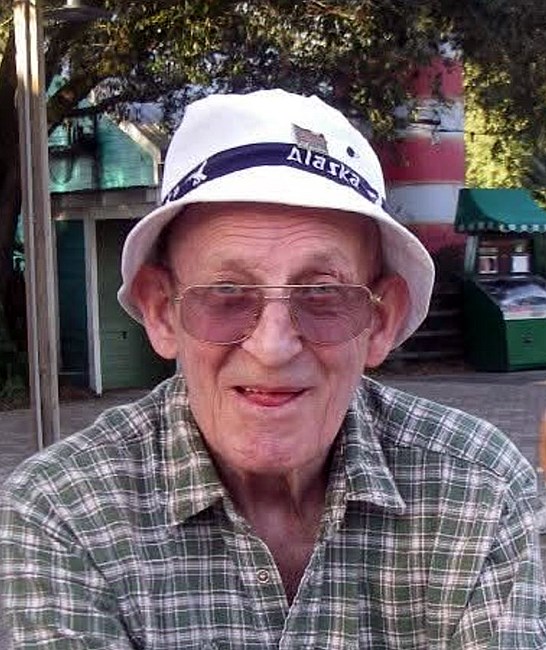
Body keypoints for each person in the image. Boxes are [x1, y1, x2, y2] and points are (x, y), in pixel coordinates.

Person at [1, 89, 545, 649]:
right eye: (226, 292)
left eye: (322, 293)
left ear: (380, 321)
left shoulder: (480, 490)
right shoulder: (64, 509)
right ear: (162, 313)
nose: (273, 347)